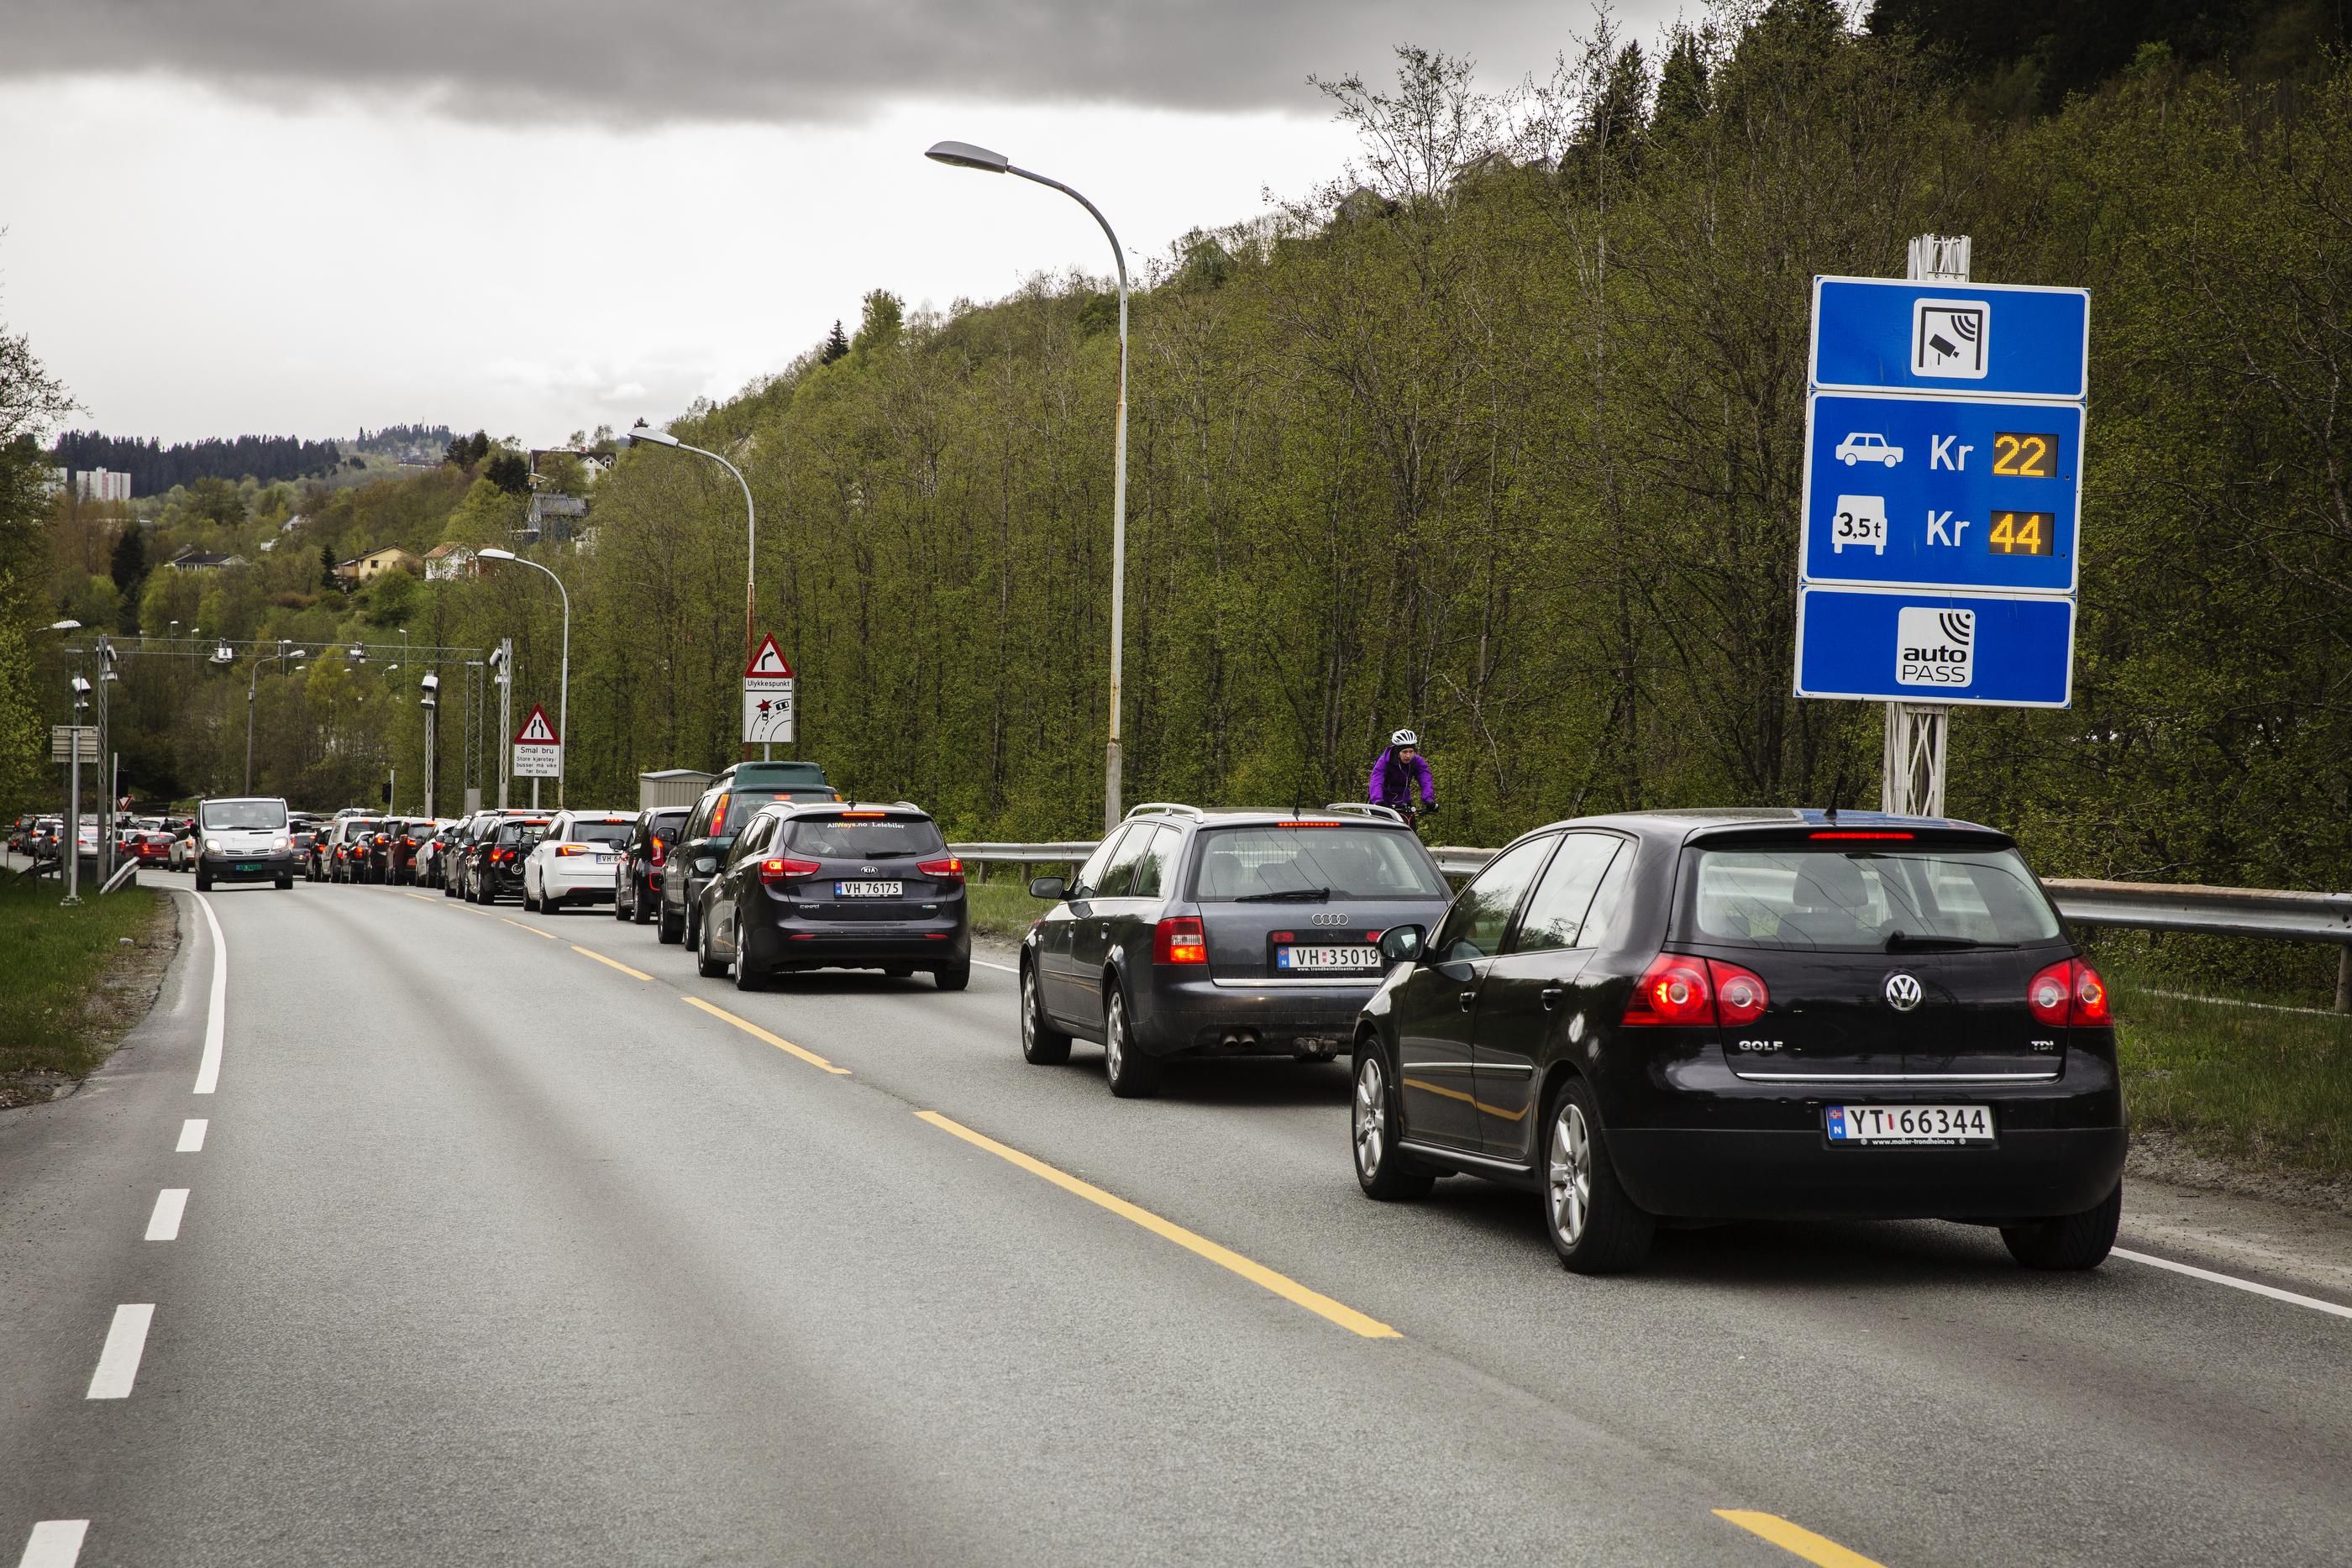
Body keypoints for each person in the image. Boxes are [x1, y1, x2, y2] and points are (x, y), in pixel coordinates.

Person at [1368, 729, 1436, 822]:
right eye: (1405, 752)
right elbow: (1376, 781)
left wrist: (1429, 800)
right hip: (1383, 801)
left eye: (1411, 751)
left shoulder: (1416, 761)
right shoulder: (1384, 761)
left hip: (1403, 802)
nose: (1408, 756)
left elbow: (1426, 780)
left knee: (1409, 828)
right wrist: (1377, 800)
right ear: (1397, 752)